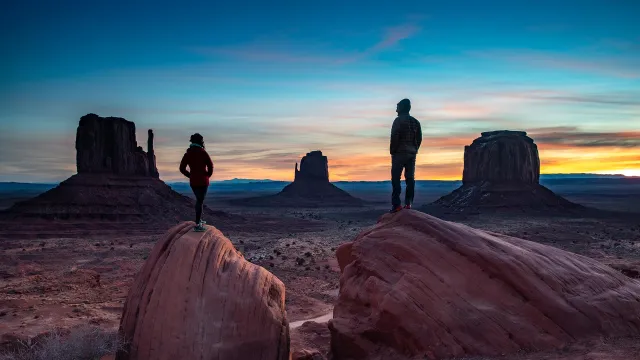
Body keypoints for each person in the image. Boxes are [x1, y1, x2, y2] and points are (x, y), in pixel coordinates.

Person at [389, 98, 422, 213]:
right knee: (410, 178)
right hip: (412, 153)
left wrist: (393, 150)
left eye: (397, 106)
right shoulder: (415, 122)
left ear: (402, 107)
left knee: (396, 178)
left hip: (399, 153)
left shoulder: (398, 121)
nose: (396, 109)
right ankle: (408, 203)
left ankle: (396, 205)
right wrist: (415, 148)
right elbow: (419, 138)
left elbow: (395, 136)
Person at [179, 133, 214, 231]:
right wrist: (207, 175)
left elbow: (182, 168)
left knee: (199, 200)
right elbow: (210, 166)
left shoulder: (188, 153)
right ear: (200, 141)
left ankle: (199, 221)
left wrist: (190, 176)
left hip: (193, 181)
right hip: (203, 181)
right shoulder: (203, 152)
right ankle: (198, 224)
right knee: (200, 201)